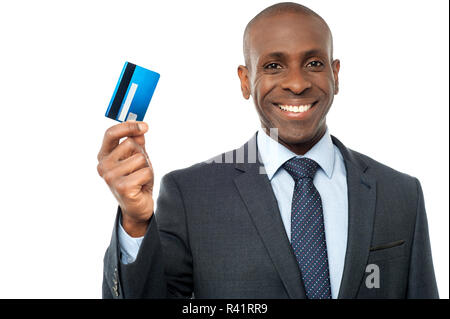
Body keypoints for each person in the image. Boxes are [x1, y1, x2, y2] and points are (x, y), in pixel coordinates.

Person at [97, 2, 439, 299]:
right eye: (273, 66)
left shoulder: (401, 193)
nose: (297, 83)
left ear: (336, 74)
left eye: (314, 64)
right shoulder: (191, 195)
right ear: (245, 81)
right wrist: (136, 223)